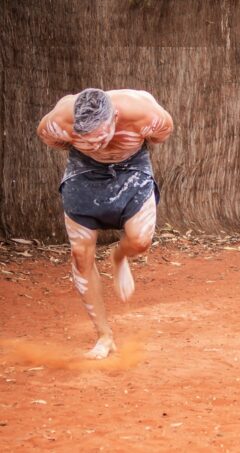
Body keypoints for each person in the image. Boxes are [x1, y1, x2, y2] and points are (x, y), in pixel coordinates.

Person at [37, 88, 173, 359]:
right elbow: (51, 138)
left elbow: (160, 136)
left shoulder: (144, 112)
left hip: (132, 166)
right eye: (87, 139)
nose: (98, 144)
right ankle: (104, 336)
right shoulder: (60, 119)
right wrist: (87, 151)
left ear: (116, 117)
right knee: (80, 254)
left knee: (140, 241)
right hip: (83, 171)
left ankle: (118, 256)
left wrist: (125, 148)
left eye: (101, 137)